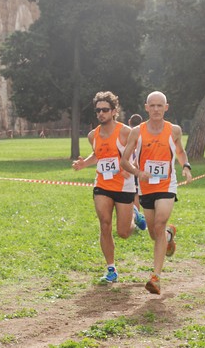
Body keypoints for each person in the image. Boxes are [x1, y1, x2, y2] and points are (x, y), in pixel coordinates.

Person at [121, 91, 193, 295]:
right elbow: (124, 160)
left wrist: (185, 166)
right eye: (152, 106)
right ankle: (169, 236)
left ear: (166, 108)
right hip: (146, 187)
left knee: (159, 223)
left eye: (159, 106)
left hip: (166, 185)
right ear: (146, 107)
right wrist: (137, 172)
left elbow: (180, 151)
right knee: (155, 233)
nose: (156, 109)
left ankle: (156, 277)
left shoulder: (174, 130)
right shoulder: (137, 132)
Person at [72, 92, 146, 284]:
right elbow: (98, 154)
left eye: (105, 110)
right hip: (102, 185)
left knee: (123, 233)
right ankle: (111, 269)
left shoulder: (125, 132)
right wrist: (84, 163)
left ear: (114, 111)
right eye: (98, 110)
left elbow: (136, 153)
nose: (101, 114)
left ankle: (134, 215)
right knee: (104, 224)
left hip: (124, 186)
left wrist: (130, 168)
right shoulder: (92, 135)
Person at [127, 114, 144, 215]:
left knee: (130, 193)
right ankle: (137, 218)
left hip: (127, 165)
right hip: (137, 164)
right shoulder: (142, 132)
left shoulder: (126, 132)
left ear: (129, 121)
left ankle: (132, 216)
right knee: (136, 193)